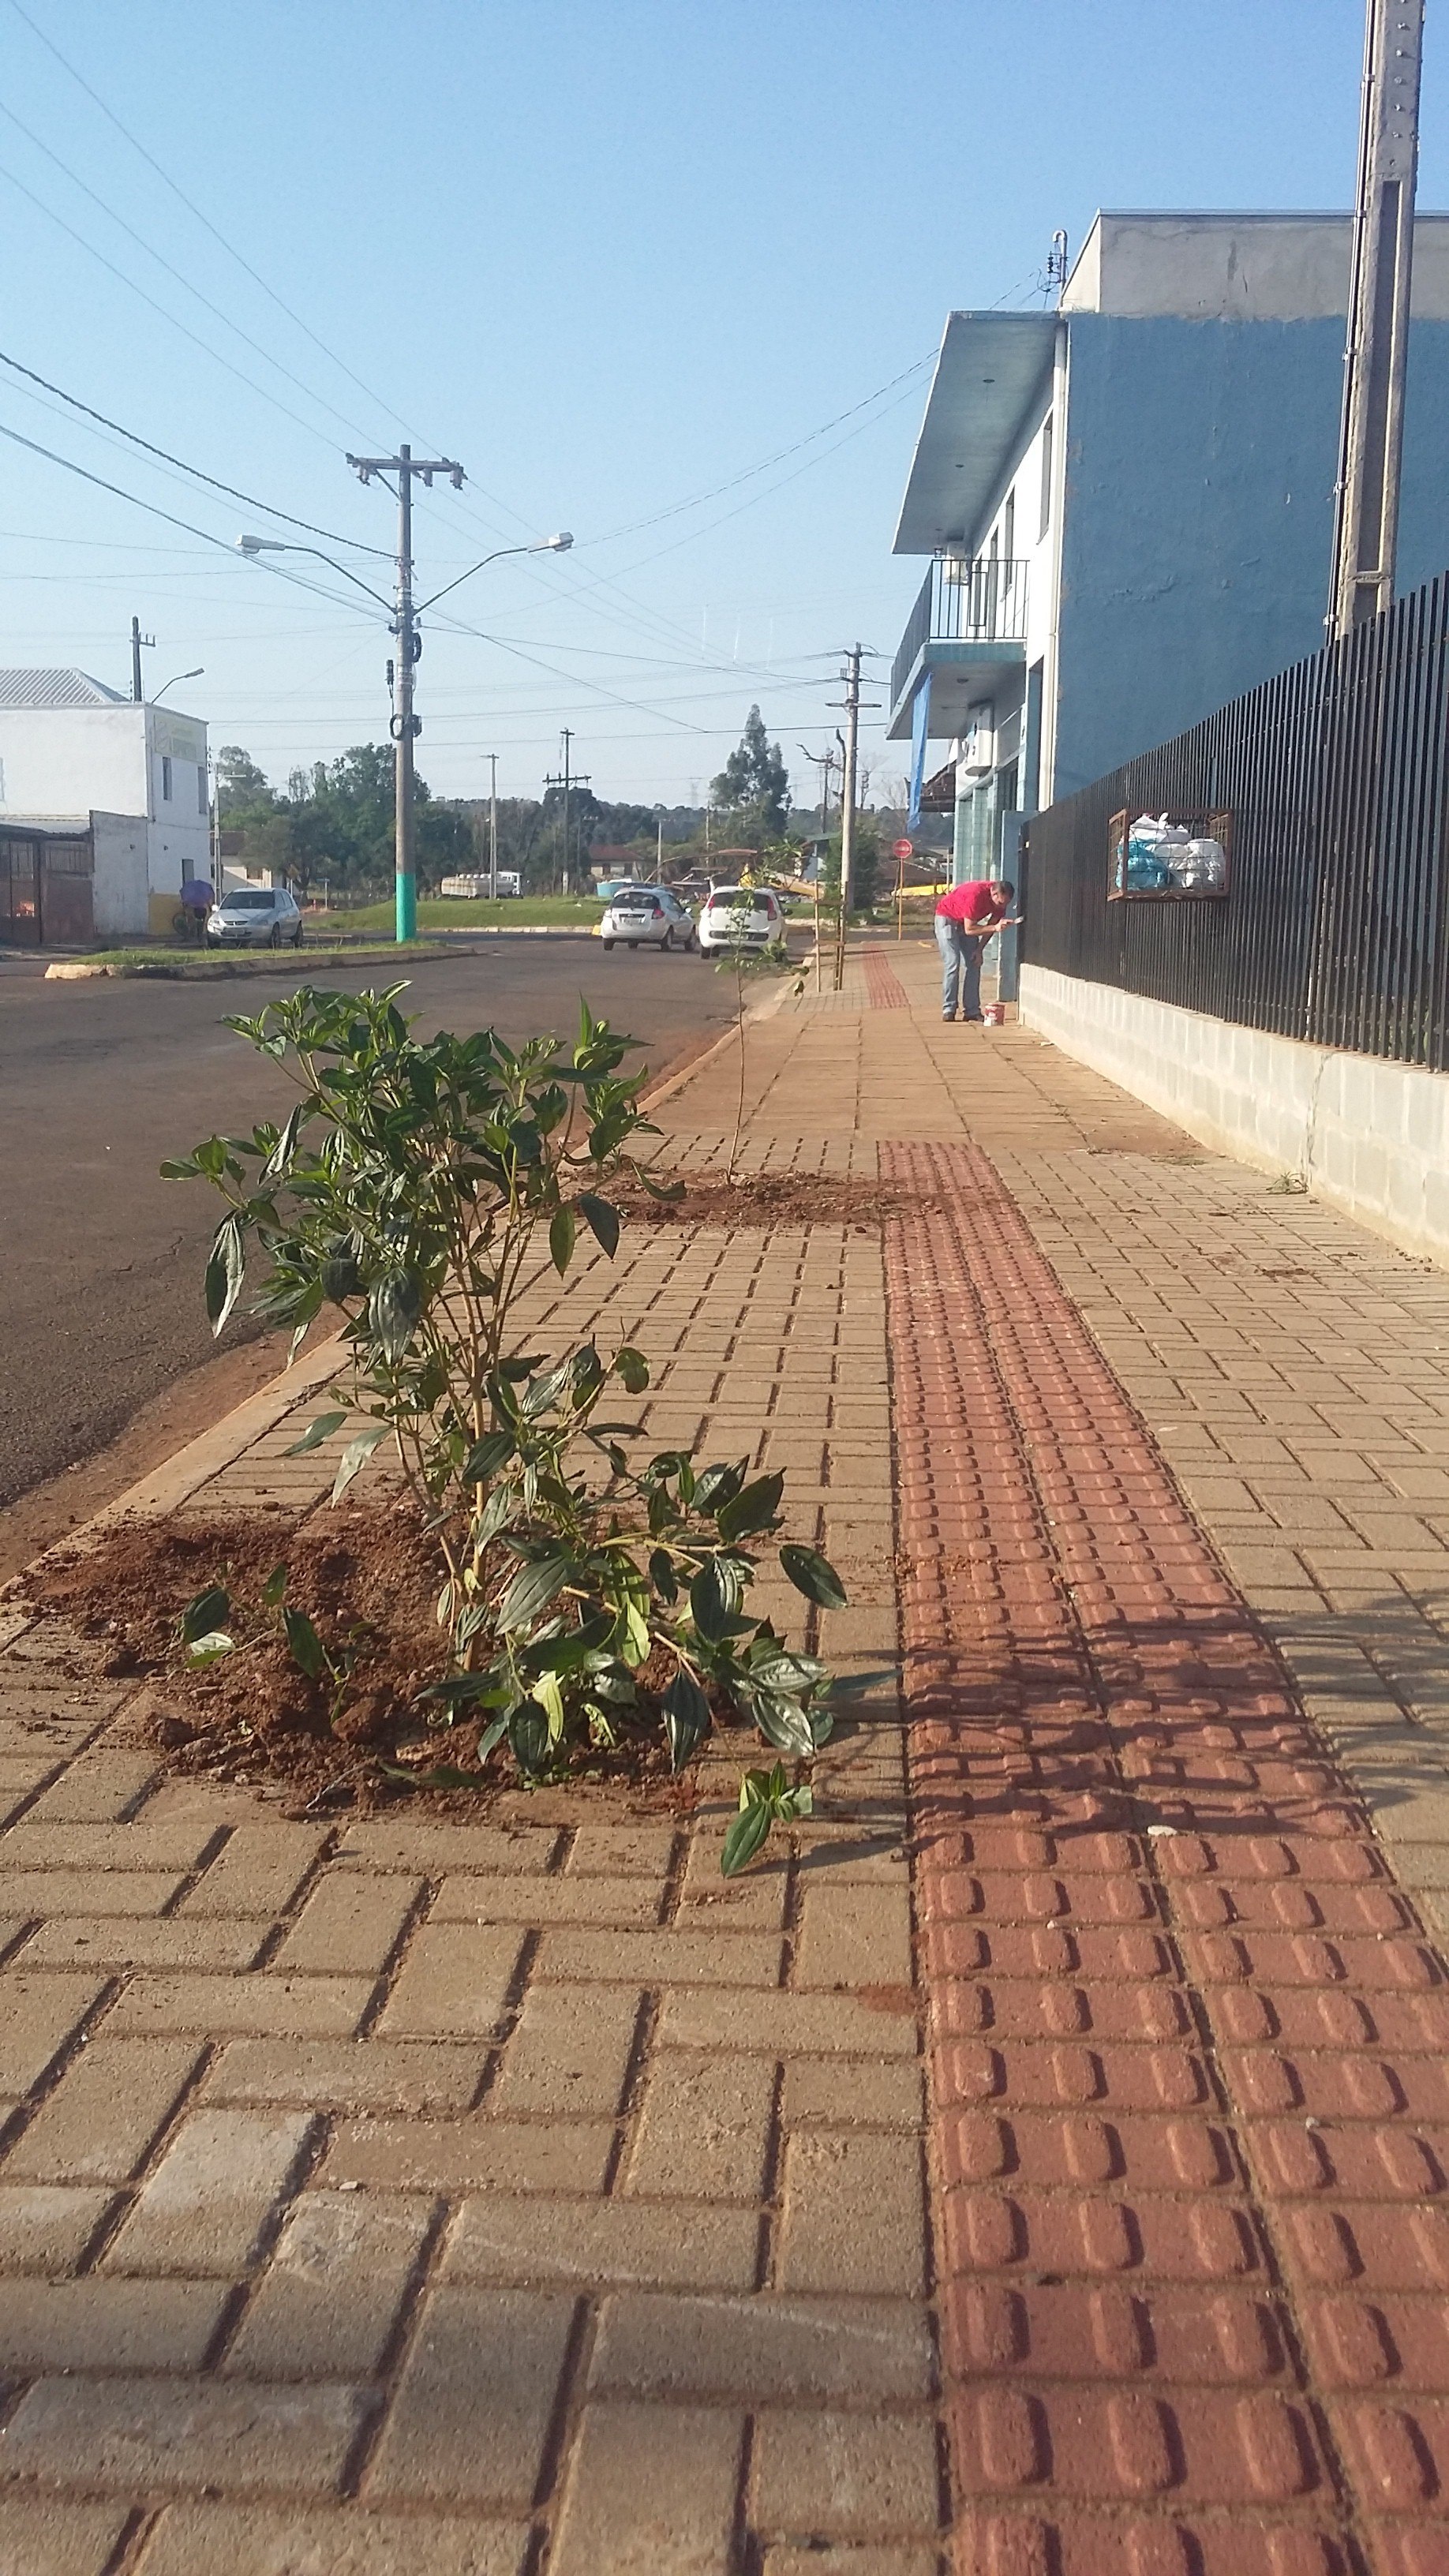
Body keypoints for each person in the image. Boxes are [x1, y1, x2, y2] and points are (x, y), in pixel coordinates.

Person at [934, 876, 1020, 1022]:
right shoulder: (975, 895)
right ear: (994, 894)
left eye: (1006, 903)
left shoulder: (1001, 900)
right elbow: (970, 930)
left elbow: (991, 927)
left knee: (974, 962)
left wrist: (979, 950)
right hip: (947, 919)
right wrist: (996, 927)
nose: (1001, 907)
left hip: (967, 922)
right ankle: (949, 1009)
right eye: (1000, 903)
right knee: (953, 963)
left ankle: (972, 1010)